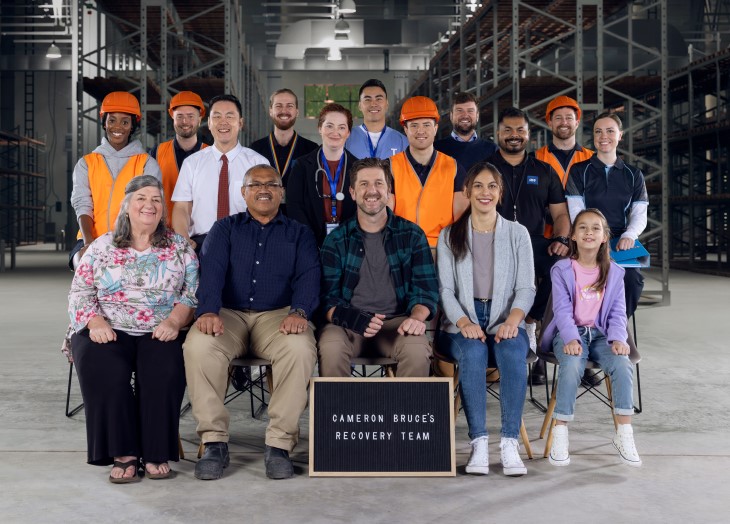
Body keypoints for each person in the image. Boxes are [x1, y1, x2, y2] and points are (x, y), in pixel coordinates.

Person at [183, 164, 320, 481]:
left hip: (278, 315)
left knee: (299, 349)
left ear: (281, 192)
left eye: (271, 184)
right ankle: (214, 441)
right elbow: (212, 272)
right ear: (243, 192)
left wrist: (299, 312)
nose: (263, 189)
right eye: (255, 184)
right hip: (227, 314)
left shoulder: (298, 233)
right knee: (199, 347)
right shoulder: (225, 228)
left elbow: (309, 277)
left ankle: (279, 444)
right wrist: (207, 311)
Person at [68, 175, 198, 483]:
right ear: (127, 206)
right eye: (141, 198)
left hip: (161, 327)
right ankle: (123, 452)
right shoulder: (102, 245)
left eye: (156, 200)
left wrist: (174, 321)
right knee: (103, 366)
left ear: (163, 210)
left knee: (163, 368)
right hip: (108, 325)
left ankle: (155, 451)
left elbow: (191, 294)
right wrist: (94, 321)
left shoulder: (180, 248)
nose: (149, 205)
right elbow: (80, 291)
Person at [437, 162, 535, 477]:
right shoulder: (450, 234)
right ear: (467, 192)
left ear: (500, 192)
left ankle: (509, 443)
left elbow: (526, 287)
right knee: (474, 353)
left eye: (492, 186)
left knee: (512, 354)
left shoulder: (518, 233)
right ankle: (479, 441)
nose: (485, 192)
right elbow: (446, 290)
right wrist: (464, 323)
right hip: (461, 320)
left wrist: (513, 320)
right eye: (477, 186)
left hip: (506, 317)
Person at [318, 157, 439, 377]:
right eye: (364, 184)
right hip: (348, 325)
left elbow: (426, 290)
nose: (371, 190)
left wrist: (417, 318)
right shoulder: (336, 240)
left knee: (417, 350)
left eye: (378, 183)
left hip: (398, 323)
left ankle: (405, 412)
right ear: (353, 193)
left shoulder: (411, 235)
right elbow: (326, 298)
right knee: (330, 347)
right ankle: (339, 411)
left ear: (389, 191)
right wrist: (351, 317)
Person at [540, 208, 642, 467]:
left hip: (602, 336)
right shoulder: (562, 269)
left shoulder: (616, 272)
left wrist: (619, 338)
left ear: (605, 236)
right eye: (582, 227)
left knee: (622, 363)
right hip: (569, 333)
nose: (589, 232)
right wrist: (571, 338)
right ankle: (561, 429)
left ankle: (624, 433)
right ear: (572, 235)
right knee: (572, 364)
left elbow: (619, 312)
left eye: (596, 228)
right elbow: (561, 309)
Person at [487, 107, 570, 363]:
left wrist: (561, 239)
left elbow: (560, 215)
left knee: (562, 266)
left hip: (531, 243)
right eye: (508, 130)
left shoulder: (544, 171)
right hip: (491, 243)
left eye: (520, 130)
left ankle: (530, 321)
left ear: (528, 134)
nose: (514, 135)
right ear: (497, 134)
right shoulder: (484, 169)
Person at [534, 95, 594, 384]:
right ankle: (541, 353)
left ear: (577, 121)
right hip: (550, 241)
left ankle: (586, 354)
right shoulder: (537, 159)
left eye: (569, 117)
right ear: (549, 122)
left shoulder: (591, 159)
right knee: (545, 292)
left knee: (588, 293)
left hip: (585, 243)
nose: (564, 122)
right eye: (557, 117)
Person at [566, 112, 648, 320]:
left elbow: (640, 213)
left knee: (632, 281)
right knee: (582, 279)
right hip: (588, 237)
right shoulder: (578, 171)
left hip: (621, 240)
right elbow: (576, 213)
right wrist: (591, 238)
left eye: (610, 131)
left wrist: (630, 235)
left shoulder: (633, 174)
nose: (604, 136)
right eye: (598, 131)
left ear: (620, 135)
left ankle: (618, 325)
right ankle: (587, 325)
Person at [69, 91, 162, 269]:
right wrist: (90, 243)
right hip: (91, 238)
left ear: (132, 125)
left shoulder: (146, 164)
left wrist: (134, 245)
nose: (117, 127)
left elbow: (150, 209)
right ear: (104, 122)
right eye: (112, 120)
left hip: (134, 241)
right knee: (83, 263)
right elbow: (82, 204)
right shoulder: (86, 163)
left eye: (125, 122)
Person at [171, 94, 269, 252]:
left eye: (230, 116)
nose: (223, 122)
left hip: (246, 243)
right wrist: (184, 242)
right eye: (216, 116)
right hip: (202, 244)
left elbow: (267, 209)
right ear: (209, 123)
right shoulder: (192, 163)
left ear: (241, 122)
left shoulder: (258, 164)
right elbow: (182, 207)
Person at [389, 95, 469, 248]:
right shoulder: (391, 167)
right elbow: (385, 217)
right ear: (405, 129)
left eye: (426, 125)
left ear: (435, 128)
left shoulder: (454, 167)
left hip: (443, 251)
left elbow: (461, 221)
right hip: (403, 251)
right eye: (414, 125)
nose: (421, 131)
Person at [286, 103, 357, 247]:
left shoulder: (358, 168)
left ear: (348, 132)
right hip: (310, 244)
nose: (335, 132)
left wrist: (348, 238)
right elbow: (294, 206)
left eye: (342, 127)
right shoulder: (302, 166)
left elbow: (361, 207)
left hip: (349, 243)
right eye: (329, 126)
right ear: (320, 128)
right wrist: (310, 240)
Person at [151, 91, 209, 226]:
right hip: (164, 232)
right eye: (180, 116)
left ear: (200, 118)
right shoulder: (157, 152)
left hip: (200, 233)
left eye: (190, 116)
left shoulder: (211, 154)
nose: (185, 122)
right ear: (172, 117)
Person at [249, 88, 318, 188]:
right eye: (278, 106)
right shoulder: (255, 149)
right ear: (270, 111)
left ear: (297, 112)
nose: (284, 111)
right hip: (265, 203)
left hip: (298, 204)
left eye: (289, 106)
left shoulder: (311, 149)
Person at [344, 79, 409, 159]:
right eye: (367, 99)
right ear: (360, 105)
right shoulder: (346, 138)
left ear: (387, 104)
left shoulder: (402, 141)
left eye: (379, 99)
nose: (373, 104)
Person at [434, 92, 498, 172]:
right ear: (451, 116)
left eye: (470, 111)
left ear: (477, 116)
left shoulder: (492, 150)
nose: (465, 115)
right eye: (459, 110)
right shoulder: (436, 149)